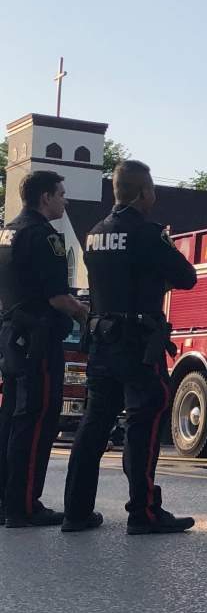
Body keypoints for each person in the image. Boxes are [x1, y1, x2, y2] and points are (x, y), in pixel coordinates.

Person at [62, 160, 198, 534]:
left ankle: (75, 512)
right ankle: (144, 512)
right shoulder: (147, 233)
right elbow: (187, 277)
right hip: (139, 345)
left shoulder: (94, 233)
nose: (154, 196)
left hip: (102, 342)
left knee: (93, 425)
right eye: (152, 189)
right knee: (145, 420)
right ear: (142, 193)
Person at [0, 171, 89, 528]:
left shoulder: (7, 232)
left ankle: (6, 500)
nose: (65, 201)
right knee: (37, 419)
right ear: (45, 197)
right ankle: (25, 505)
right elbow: (58, 297)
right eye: (61, 194)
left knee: (10, 418)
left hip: (11, 337)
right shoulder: (45, 236)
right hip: (39, 338)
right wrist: (88, 317)